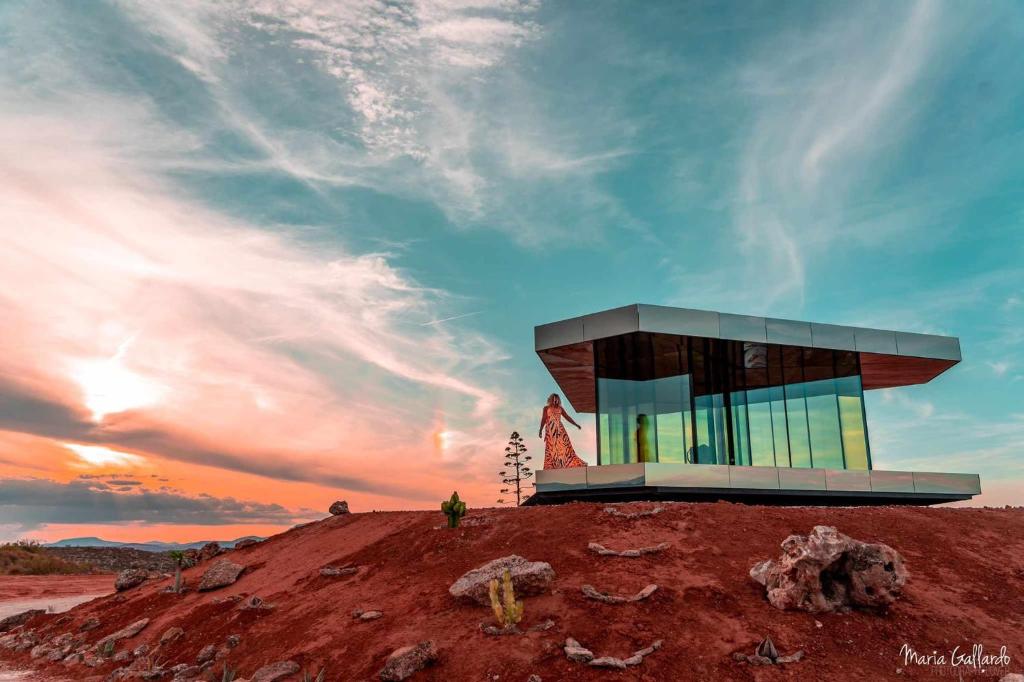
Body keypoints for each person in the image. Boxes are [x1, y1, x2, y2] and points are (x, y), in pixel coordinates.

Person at [539, 393, 587, 469]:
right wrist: (540, 430)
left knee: (564, 447)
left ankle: (563, 464)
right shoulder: (546, 408)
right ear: (551, 399)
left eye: (557, 399)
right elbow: (543, 419)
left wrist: (576, 424)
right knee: (552, 448)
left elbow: (567, 417)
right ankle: (554, 466)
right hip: (550, 431)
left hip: (560, 430)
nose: (556, 400)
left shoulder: (560, 408)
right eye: (554, 399)